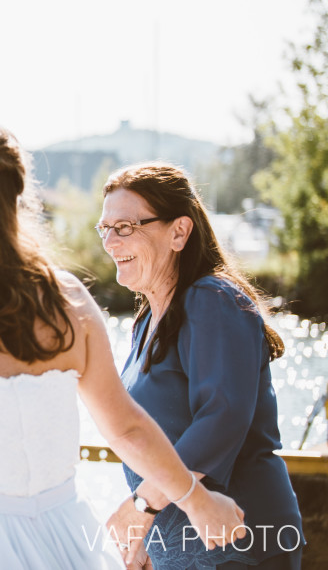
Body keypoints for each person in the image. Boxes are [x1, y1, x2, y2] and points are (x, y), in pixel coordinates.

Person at [0, 120, 247, 570]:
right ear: (16, 201)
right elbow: (127, 429)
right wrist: (196, 500)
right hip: (63, 538)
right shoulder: (68, 301)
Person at [100, 163, 304, 569]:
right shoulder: (146, 321)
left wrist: (143, 506)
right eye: (104, 228)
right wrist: (148, 535)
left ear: (179, 231)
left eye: (124, 227)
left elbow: (221, 416)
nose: (110, 241)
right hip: (181, 544)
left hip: (243, 541)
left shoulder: (213, 297)